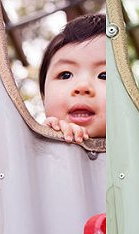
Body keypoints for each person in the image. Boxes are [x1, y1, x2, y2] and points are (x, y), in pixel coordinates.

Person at [40, 14, 106, 143]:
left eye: (104, 75)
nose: (82, 87)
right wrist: (45, 143)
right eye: (65, 75)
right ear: (44, 96)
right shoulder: (35, 150)